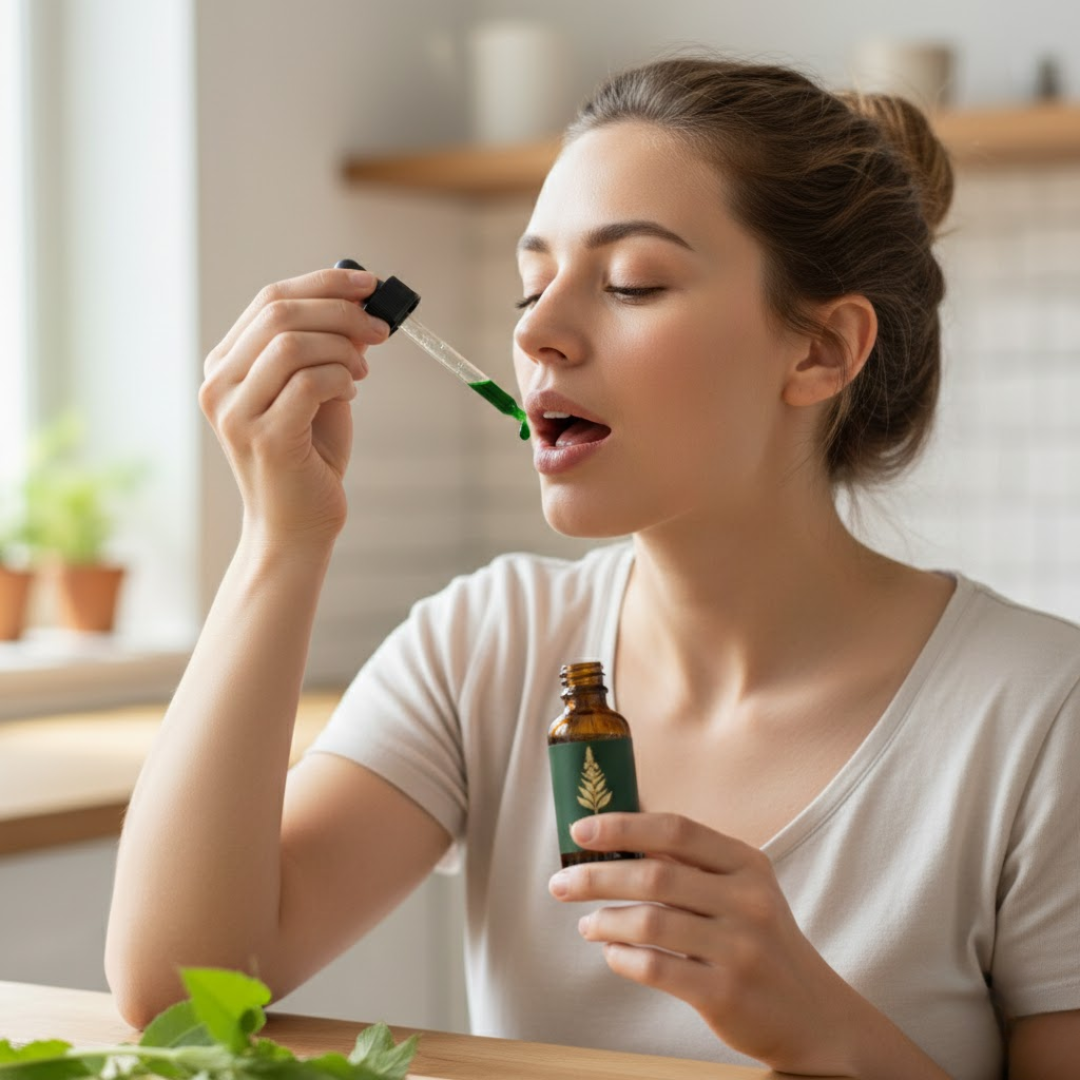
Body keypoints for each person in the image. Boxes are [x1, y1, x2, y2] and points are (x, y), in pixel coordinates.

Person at [105, 53, 1080, 1079]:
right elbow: (181, 987)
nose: (537, 332)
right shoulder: (486, 645)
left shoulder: (1042, 718)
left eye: (631, 283)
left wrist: (825, 1034)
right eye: (533, 286)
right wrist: (280, 540)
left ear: (822, 351)